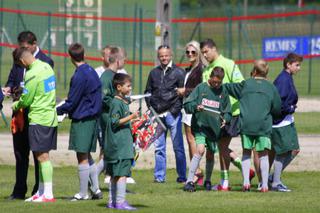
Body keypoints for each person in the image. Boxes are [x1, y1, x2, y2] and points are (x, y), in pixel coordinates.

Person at [2, 31, 54, 200]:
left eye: (25, 47)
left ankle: (40, 191)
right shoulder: (19, 59)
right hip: (20, 116)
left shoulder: (46, 62)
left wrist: (18, 102)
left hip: (36, 114)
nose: (22, 50)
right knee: (20, 153)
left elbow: (40, 93)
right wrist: (9, 89)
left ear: (33, 45)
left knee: (39, 154)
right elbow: (12, 79)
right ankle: (19, 191)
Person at [200, 38, 255, 191]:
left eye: (206, 51)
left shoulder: (228, 64)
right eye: (202, 52)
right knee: (221, 147)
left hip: (230, 114)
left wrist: (224, 92)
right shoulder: (206, 70)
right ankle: (239, 174)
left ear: (214, 48)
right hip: (214, 115)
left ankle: (225, 182)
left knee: (223, 146)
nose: (204, 55)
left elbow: (241, 84)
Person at [224, 59, 281, 192]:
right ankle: (265, 185)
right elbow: (277, 108)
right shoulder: (271, 87)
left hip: (246, 125)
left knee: (246, 153)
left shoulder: (245, 84)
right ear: (266, 73)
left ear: (254, 71)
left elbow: (227, 87)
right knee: (263, 154)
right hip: (263, 125)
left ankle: (246, 183)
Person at [56, 43, 103, 201]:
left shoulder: (79, 75)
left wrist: (57, 110)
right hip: (92, 118)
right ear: (83, 54)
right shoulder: (92, 71)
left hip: (83, 119)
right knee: (87, 156)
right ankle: (95, 190)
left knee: (82, 157)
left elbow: (73, 101)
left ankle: (83, 193)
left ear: (70, 57)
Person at [11, 47, 58, 202]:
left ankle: (48, 194)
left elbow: (27, 99)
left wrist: (15, 105)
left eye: (20, 64)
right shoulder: (47, 67)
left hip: (39, 117)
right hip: (50, 116)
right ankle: (41, 191)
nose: (22, 67)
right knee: (40, 155)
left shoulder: (32, 73)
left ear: (23, 61)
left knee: (42, 156)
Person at [183, 67, 231, 192]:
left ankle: (208, 181)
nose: (216, 85)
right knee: (200, 150)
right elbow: (187, 105)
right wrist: (196, 107)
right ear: (210, 77)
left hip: (214, 130)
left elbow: (227, 111)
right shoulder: (201, 88)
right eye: (214, 82)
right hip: (200, 126)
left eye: (218, 83)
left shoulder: (223, 91)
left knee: (210, 155)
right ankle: (189, 181)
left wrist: (225, 119)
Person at [145, 45, 187, 183]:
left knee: (178, 148)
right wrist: (151, 108)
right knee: (159, 148)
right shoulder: (153, 73)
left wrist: (174, 111)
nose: (164, 58)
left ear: (171, 55)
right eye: (161, 55)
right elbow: (148, 92)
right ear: (158, 57)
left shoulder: (179, 72)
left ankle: (182, 177)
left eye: (166, 55)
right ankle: (159, 177)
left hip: (172, 115)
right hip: (157, 116)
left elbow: (182, 95)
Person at [270, 53, 303, 192]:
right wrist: (290, 108)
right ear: (288, 65)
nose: (299, 68)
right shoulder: (283, 79)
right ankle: (276, 182)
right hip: (280, 122)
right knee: (283, 152)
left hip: (286, 121)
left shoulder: (287, 77)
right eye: (297, 65)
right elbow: (278, 103)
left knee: (294, 150)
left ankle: (273, 178)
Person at [105, 73, 139, 210]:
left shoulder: (120, 101)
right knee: (122, 175)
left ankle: (111, 202)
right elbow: (114, 122)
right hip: (120, 146)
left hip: (118, 145)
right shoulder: (117, 102)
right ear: (119, 87)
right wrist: (131, 116)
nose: (130, 88)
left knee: (114, 175)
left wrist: (133, 122)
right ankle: (120, 202)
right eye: (128, 86)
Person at [176, 41, 207, 185]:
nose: (189, 54)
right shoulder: (189, 69)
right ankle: (195, 171)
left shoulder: (201, 69)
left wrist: (185, 91)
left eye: (193, 52)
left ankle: (197, 172)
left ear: (199, 53)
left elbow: (200, 88)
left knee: (193, 139)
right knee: (190, 140)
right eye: (187, 52)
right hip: (187, 106)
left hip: (195, 106)